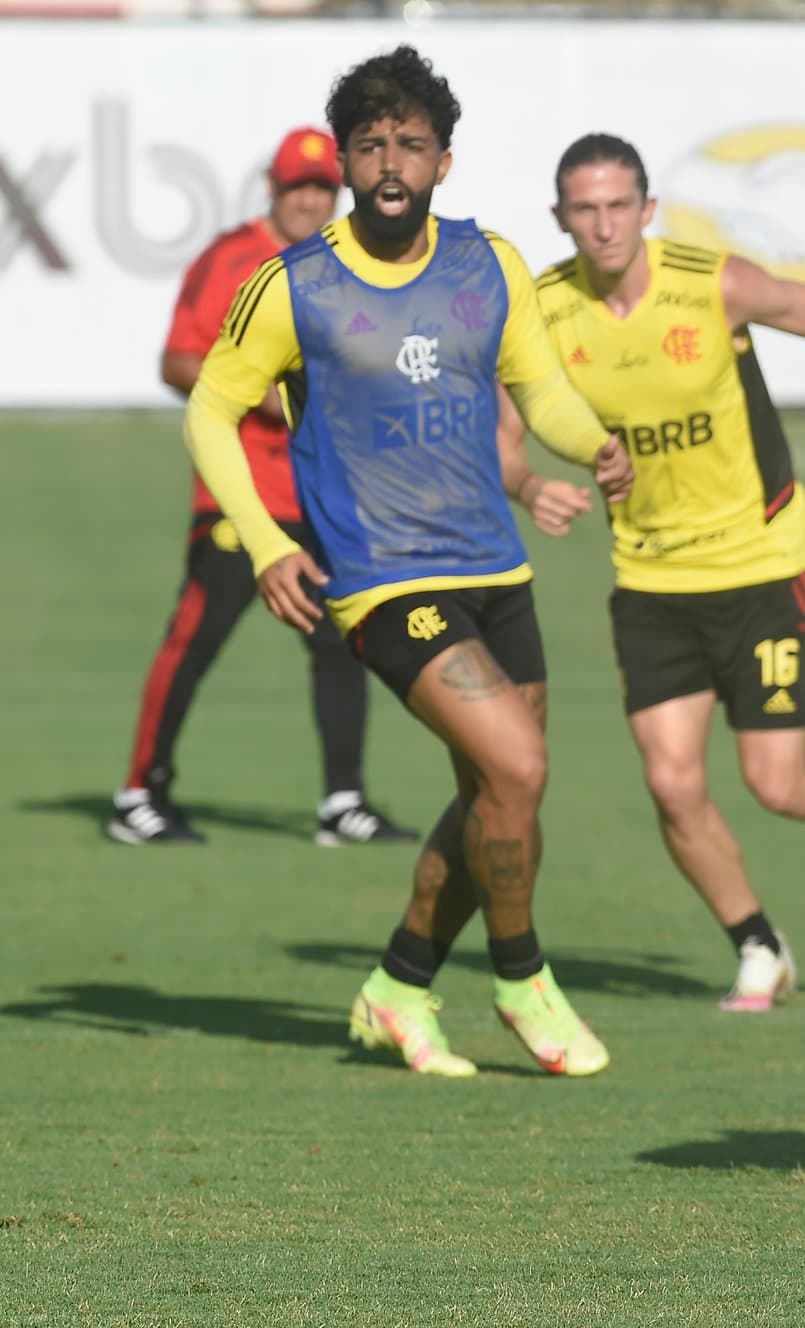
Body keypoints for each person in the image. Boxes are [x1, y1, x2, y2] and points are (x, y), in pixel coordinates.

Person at [183, 46, 635, 1078]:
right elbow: (211, 411)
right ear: (345, 158)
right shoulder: (293, 285)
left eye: (412, 144)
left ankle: (396, 986)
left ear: (444, 158)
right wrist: (264, 545)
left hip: (494, 565)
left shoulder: (491, 264)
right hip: (384, 580)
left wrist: (594, 441)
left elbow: (541, 390)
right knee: (518, 765)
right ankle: (521, 979)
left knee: (496, 791)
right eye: (372, 144)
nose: (392, 162)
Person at [497, 133, 805, 1013]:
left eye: (617, 206)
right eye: (583, 210)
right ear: (561, 218)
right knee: (671, 782)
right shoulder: (547, 310)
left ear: (646, 210)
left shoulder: (711, 283)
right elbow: (504, 429)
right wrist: (527, 485)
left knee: (776, 782)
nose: (602, 225)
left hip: (760, 562)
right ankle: (757, 943)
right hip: (649, 576)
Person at [109, 127, 414, 850]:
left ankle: (343, 801)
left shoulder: (344, 264)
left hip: (323, 494)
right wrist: (267, 397)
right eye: (295, 187)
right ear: (273, 190)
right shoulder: (234, 259)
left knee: (341, 641)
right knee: (197, 637)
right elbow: (180, 360)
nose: (309, 200)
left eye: (320, 187)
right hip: (241, 493)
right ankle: (138, 792)